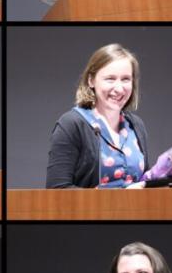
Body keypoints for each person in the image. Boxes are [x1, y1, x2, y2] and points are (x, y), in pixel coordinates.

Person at [46, 44, 148, 188]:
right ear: (91, 80)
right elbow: (57, 191)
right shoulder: (71, 124)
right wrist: (121, 197)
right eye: (110, 79)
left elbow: (146, 180)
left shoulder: (136, 125)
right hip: (90, 211)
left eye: (125, 79)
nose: (119, 89)